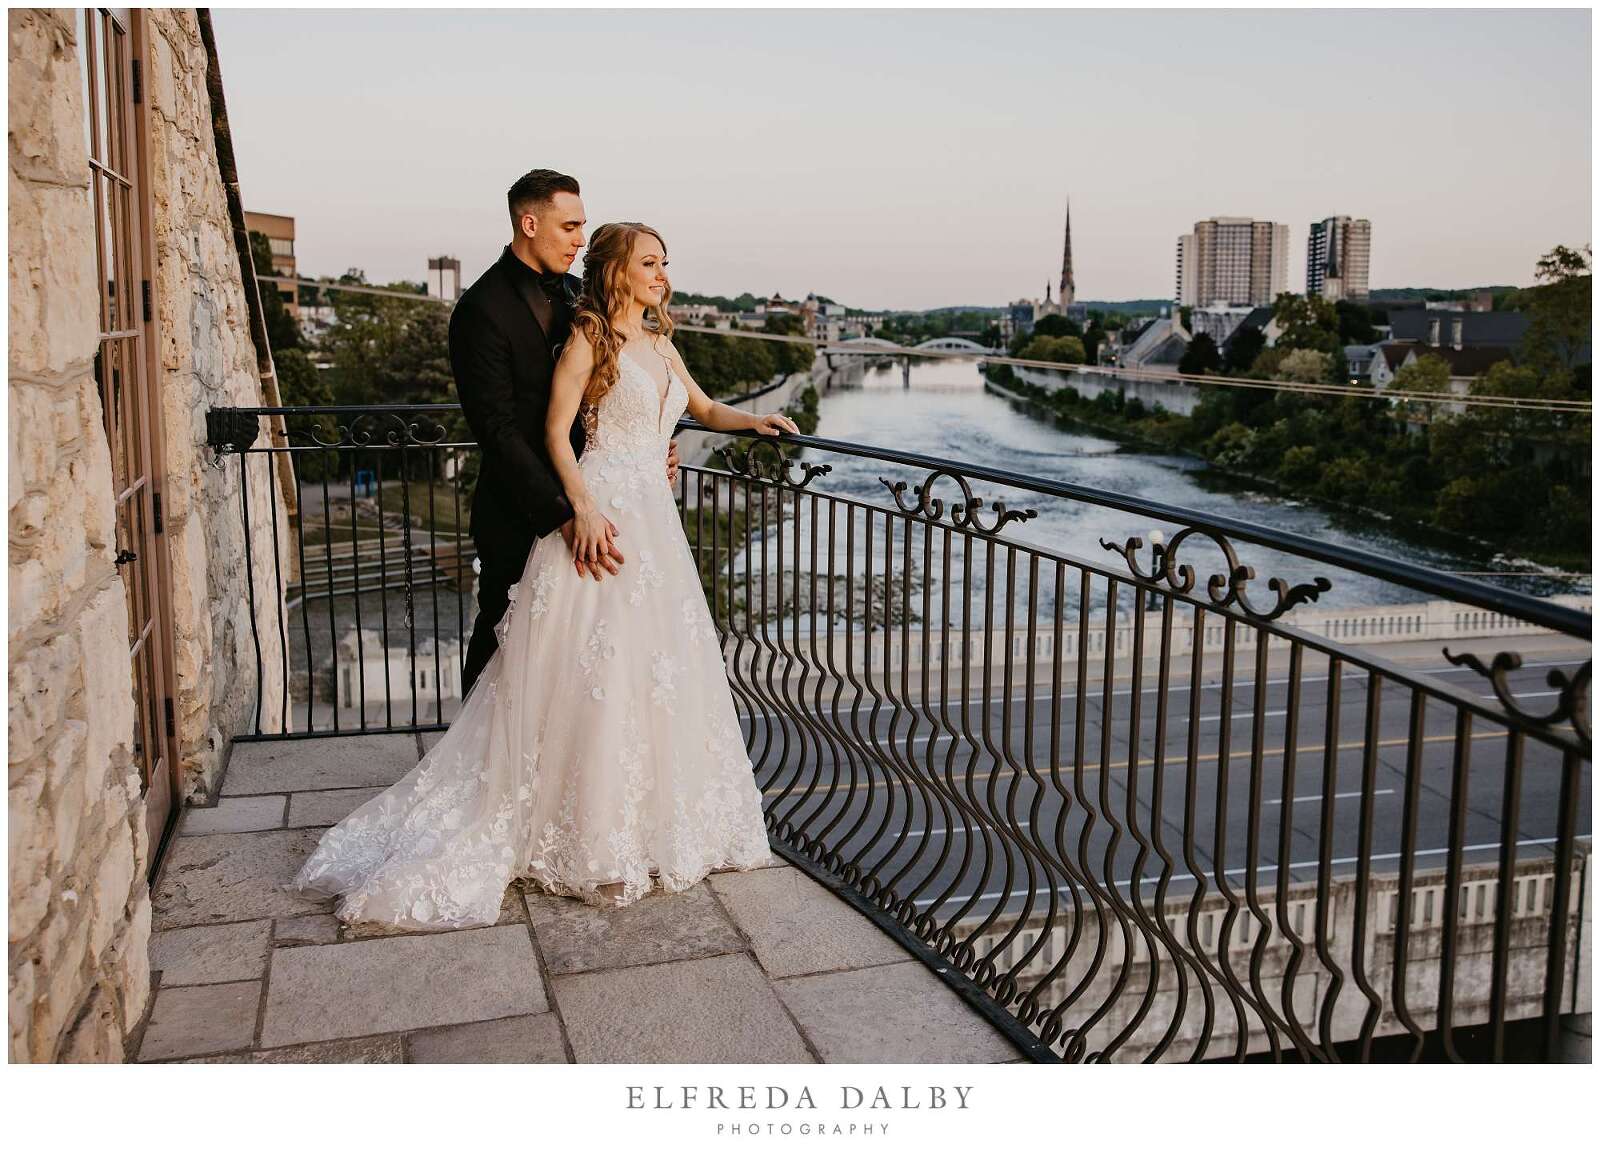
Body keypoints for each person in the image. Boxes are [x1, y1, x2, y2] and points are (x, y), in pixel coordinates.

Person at [290, 219, 797, 929]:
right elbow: (557, 434)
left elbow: (704, 409)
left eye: (665, 262)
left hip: (656, 522)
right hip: (603, 514)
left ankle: (648, 821)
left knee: (651, 670)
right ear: (617, 271)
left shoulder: (662, 342)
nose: (662, 273)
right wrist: (580, 509)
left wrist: (759, 421)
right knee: (592, 668)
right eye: (649, 262)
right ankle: (577, 828)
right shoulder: (590, 339)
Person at [448, 169, 678, 698]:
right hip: (522, 508)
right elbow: (498, 431)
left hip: (602, 496)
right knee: (503, 640)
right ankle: (485, 767)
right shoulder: (480, 310)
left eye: (583, 227)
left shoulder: (581, 296)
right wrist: (564, 514)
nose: (581, 240)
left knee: (579, 652)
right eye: (570, 227)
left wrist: (653, 443)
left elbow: (620, 385)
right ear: (530, 223)